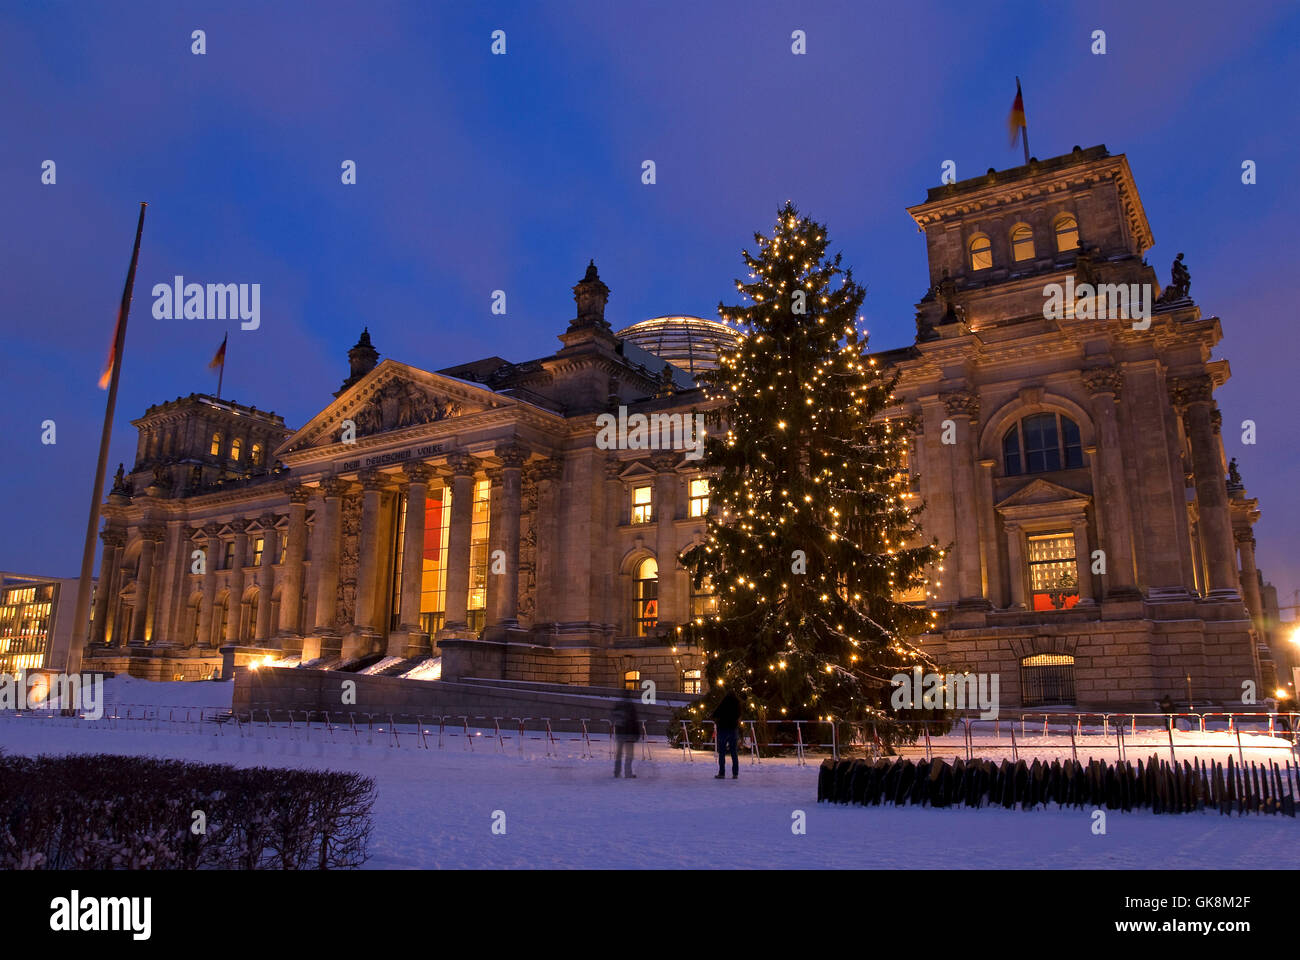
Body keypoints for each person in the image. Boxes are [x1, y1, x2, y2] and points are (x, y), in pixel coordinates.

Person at [711, 690, 741, 779]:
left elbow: (715, 714)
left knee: (722, 752)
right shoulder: (737, 704)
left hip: (723, 729)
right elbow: (739, 715)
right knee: (734, 752)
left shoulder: (723, 703)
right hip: (733, 729)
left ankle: (722, 773)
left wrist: (717, 720)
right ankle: (735, 773)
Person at [612, 692, 640, 778]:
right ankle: (628, 773)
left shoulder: (618, 705)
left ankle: (617, 772)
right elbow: (634, 720)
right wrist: (636, 733)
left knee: (619, 754)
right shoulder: (630, 706)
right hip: (629, 733)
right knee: (629, 754)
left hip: (620, 733)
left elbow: (613, 717)